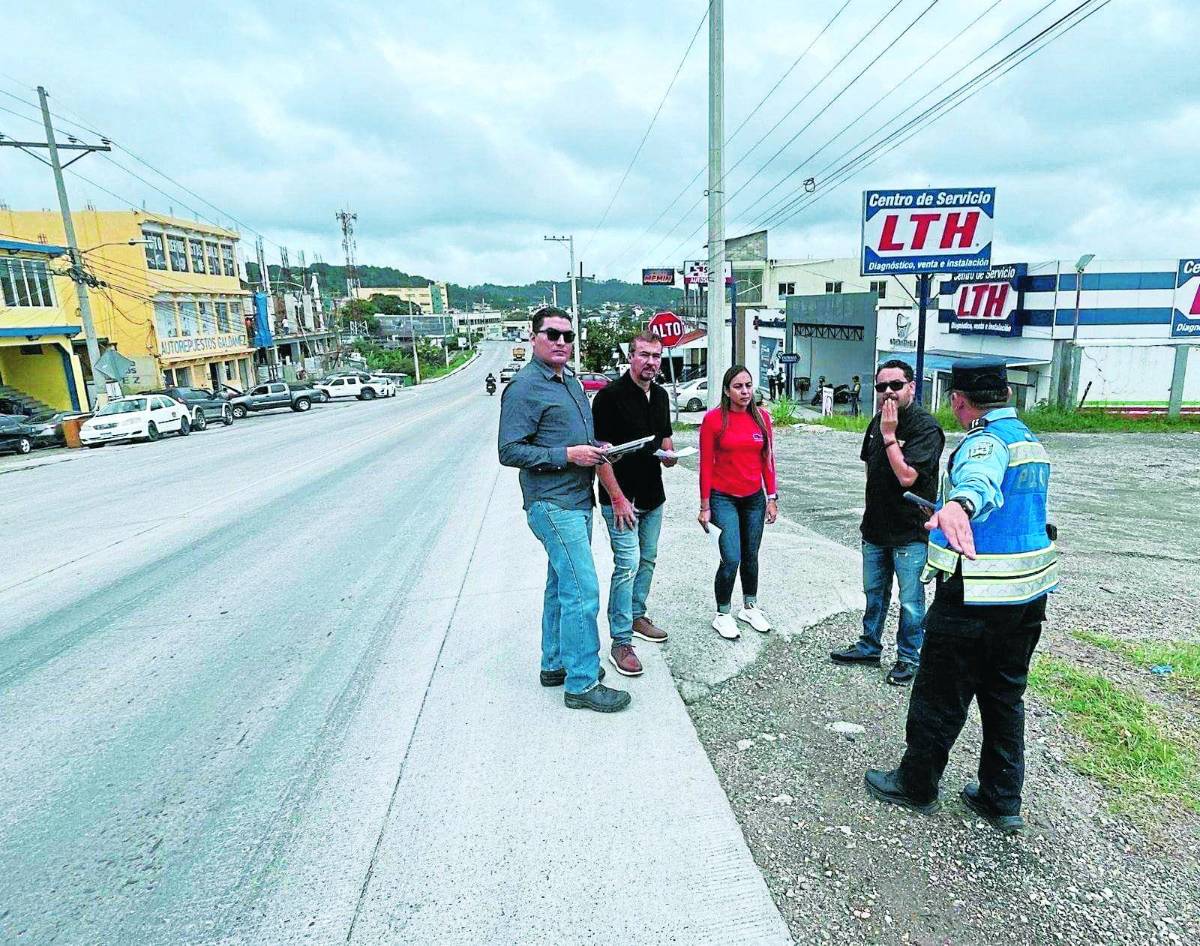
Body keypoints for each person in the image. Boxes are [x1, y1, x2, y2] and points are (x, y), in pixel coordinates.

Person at [865, 361, 1058, 834]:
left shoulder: (984, 441)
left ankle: (916, 783)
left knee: (938, 694)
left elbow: (978, 482)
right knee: (1004, 697)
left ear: (958, 400)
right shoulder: (1029, 441)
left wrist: (957, 505)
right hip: (1027, 596)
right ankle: (1001, 797)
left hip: (976, 595)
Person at [498, 306, 630, 713]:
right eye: (552, 334)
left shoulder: (570, 383)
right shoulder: (523, 387)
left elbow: (583, 437)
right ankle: (583, 682)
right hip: (551, 503)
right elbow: (509, 451)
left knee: (561, 587)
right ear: (534, 337)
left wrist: (599, 451)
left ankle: (556, 664)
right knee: (582, 592)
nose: (560, 342)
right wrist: (567, 455)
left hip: (577, 500)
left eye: (567, 336)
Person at [831, 360, 944, 685]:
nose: (888, 393)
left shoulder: (925, 428)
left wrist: (891, 437)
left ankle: (909, 658)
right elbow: (870, 467)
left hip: (910, 532)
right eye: (882, 387)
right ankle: (869, 645)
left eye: (896, 385)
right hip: (876, 528)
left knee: (910, 601)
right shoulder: (876, 421)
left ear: (911, 387)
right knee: (874, 594)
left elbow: (908, 477)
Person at [591, 331, 676, 677]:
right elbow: (599, 456)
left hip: (652, 495)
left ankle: (637, 615)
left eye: (656, 356)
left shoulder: (660, 396)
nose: (651, 362)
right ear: (631, 357)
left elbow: (664, 438)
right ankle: (620, 641)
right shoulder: (608, 397)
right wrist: (618, 498)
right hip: (620, 499)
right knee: (626, 565)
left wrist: (670, 455)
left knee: (648, 560)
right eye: (644, 355)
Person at [698, 365, 779, 640]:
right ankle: (722, 613)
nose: (745, 392)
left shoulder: (762, 419)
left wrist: (771, 497)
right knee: (731, 556)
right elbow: (705, 465)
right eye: (738, 387)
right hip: (723, 498)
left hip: (754, 498)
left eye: (748, 386)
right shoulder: (713, 420)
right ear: (726, 390)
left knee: (751, 555)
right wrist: (704, 505)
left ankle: (750, 606)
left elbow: (767, 461)